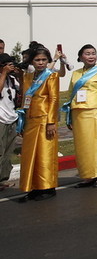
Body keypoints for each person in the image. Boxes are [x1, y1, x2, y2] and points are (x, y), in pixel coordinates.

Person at [15, 47, 62, 201]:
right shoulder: (28, 77)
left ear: (48, 60)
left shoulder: (51, 76)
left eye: (43, 60)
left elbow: (54, 99)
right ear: (32, 61)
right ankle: (34, 185)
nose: (41, 63)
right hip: (30, 120)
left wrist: (51, 122)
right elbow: (25, 98)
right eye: (37, 60)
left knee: (45, 154)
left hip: (44, 119)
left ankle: (48, 186)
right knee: (30, 155)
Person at [67, 44, 97, 187]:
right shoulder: (76, 73)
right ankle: (88, 174)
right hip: (79, 113)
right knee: (83, 145)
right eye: (87, 54)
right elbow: (70, 96)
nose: (91, 56)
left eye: (93, 53)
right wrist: (68, 116)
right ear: (81, 57)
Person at [0, 53, 20, 191]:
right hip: (0, 120)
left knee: (7, 152)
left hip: (11, 119)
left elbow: (23, 95)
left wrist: (22, 76)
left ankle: (2, 180)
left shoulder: (12, 80)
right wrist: (3, 74)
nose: (10, 67)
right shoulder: (2, 78)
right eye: (8, 64)